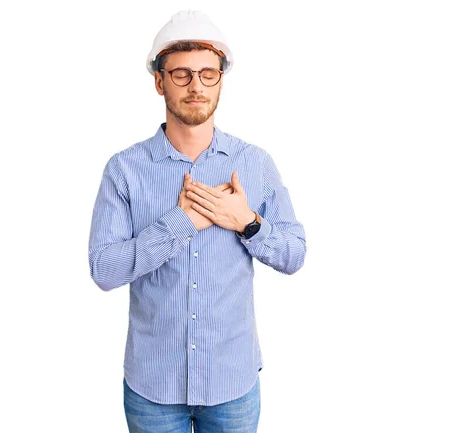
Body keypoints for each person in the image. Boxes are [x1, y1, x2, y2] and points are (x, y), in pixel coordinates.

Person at [88, 10, 306, 433]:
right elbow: (103, 270)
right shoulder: (124, 170)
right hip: (153, 387)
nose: (196, 86)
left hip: (233, 384)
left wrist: (248, 223)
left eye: (208, 74)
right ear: (159, 81)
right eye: (182, 74)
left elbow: (295, 253)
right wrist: (179, 223)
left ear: (221, 80)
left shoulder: (253, 164)